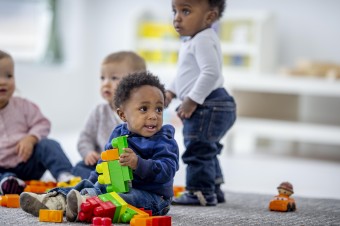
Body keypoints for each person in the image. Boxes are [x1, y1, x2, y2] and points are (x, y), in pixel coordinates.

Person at [20, 71, 179, 221]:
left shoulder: (164, 140)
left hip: (153, 197)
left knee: (125, 198)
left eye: (158, 109)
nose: (153, 116)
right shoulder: (118, 134)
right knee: (88, 185)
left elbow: (167, 170)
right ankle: (56, 200)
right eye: (144, 109)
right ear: (123, 115)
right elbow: (104, 165)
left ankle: (85, 203)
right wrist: (93, 182)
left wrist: (138, 163)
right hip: (116, 188)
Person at [165, 0, 236, 206]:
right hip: (215, 104)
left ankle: (200, 192)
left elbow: (210, 73)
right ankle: (213, 187)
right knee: (206, 147)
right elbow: (185, 74)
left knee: (197, 148)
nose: (177, 17)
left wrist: (191, 100)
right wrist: (171, 91)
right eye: (174, 11)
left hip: (209, 105)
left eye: (185, 11)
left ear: (209, 17)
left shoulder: (202, 39)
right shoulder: (193, 40)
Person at [0, 50, 76, 195]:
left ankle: (65, 175)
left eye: (9, 76)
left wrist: (31, 138)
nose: (3, 81)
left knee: (48, 144)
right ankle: (8, 183)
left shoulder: (23, 106)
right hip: (1, 169)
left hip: (27, 163)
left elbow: (42, 123)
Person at [72, 51, 147, 179]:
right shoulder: (98, 112)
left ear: (136, 85)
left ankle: (103, 183)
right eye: (102, 78)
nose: (106, 83)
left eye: (114, 78)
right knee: (79, 168)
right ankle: (101, 182)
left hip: (129, 167)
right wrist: (88, 152)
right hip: (103, 166)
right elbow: (85, 138)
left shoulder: (141, 113)